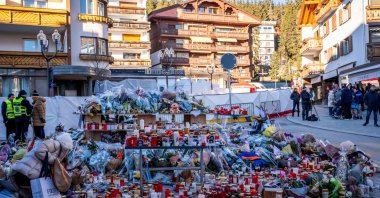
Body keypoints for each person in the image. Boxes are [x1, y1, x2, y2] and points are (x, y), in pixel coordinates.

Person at [10, 132, 73, 197]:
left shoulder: (59, 148)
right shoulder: (55, 143)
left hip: (25, 171)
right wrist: (54, 160)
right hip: (27, 172)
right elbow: (39, 150)